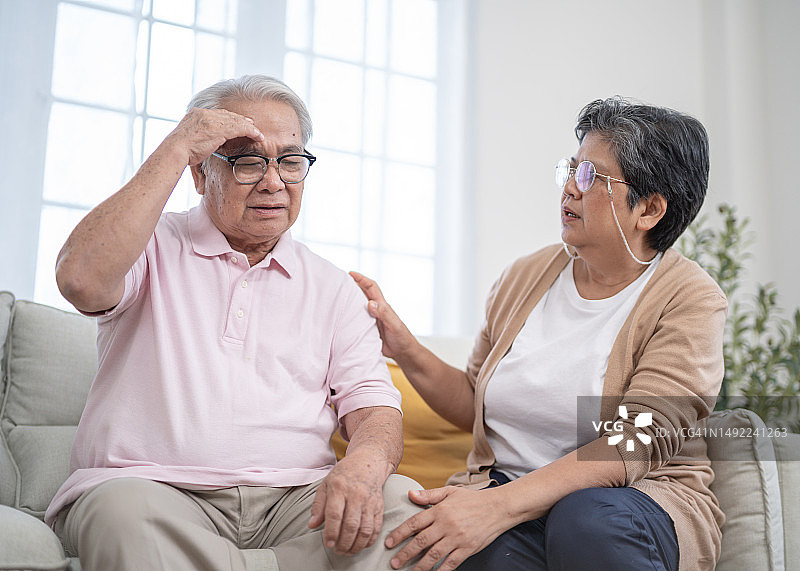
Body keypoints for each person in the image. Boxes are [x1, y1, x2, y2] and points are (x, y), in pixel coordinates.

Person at [46, 74, 423, 571]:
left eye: (290, 161)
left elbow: (374, 406)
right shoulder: (149, 243)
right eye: (247, 161)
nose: (273, 181)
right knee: (122, 512)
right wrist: (178, 143)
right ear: (201, 174)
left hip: (296, 504)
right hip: (157, 491)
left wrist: (364, 467)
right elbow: (80, 281)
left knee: (403, 504)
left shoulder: (335, 286)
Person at [353, 97, 726, 571]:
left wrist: (496, 508)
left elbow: (637, 441)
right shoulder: (522, 277)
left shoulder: (691, 298)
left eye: (590, 176)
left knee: (584, 520)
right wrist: (401, 343)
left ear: (648, 210)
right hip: (507, 497)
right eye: (570, 170)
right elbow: (474, 402)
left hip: (632, 506)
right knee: (444, 546)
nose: (569, 188)